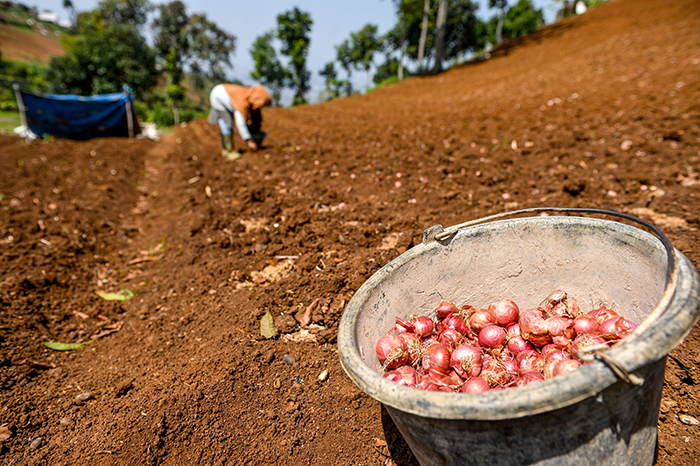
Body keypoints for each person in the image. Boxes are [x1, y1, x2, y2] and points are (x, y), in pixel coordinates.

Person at [208, 84, 272, 160]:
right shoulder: (241, 103)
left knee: (227, 123)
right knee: (227, 124)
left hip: (221, 92)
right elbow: (241, 124)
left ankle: (226, 150)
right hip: (218, 98)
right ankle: (229, 151)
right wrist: (249, 141)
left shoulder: (249, 95)